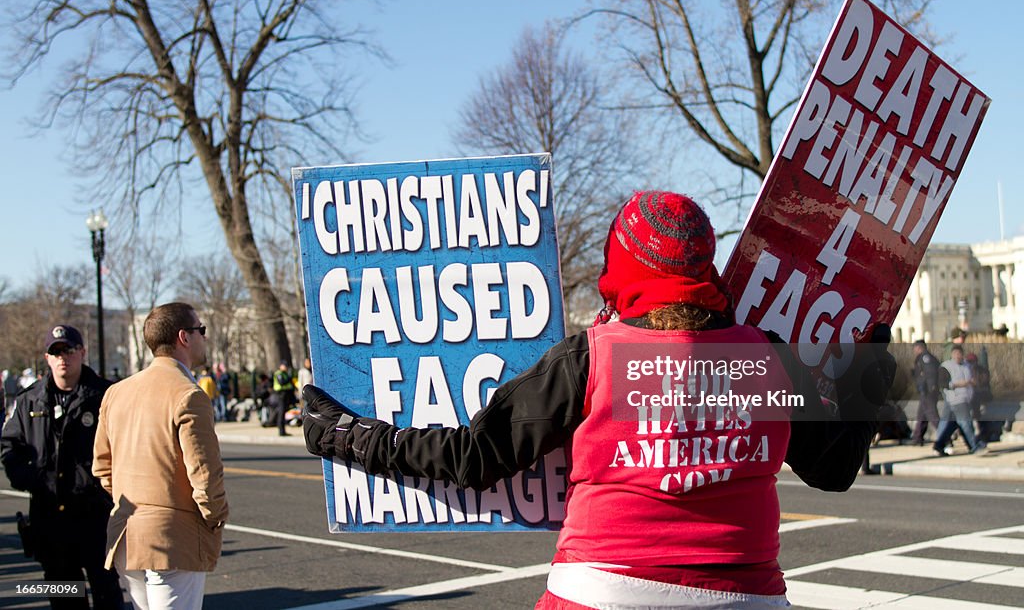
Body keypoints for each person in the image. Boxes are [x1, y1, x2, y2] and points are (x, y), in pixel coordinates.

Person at [301, 190, 892, 608]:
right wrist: (871, 365)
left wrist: (347, 435)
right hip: (745, 593)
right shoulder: (767, 354)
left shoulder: (592, 356)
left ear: (624, 263)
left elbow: (474, 459)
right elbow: (833, 469)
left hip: (603, 591)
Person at [93, 303, 229, 610]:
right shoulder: (189, 395)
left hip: (127, 533)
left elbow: (102, 467)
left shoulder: (117, 392)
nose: (203, 338)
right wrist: (215, 516)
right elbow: (204, 472)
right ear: (184, 337)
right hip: (173, 538)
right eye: (201, 330)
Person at [1, 325, 123, 609]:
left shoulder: (107, 396)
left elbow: (127, 448)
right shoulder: (29, 400)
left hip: (96, 517)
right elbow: (10, 447)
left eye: (68, 350)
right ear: (47, 358)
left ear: (82, 352)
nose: (62, 357)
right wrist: (31, 479)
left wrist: (104, 487)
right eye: (56, 352)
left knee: (107, 594)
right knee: (66, 597)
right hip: (50, 519)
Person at [932, 345, 984, 455]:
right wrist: (959, 384)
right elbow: (942, 384)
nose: (958, 356)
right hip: (955, 399)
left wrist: (974, 382)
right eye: (956, 354)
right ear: (952, 354)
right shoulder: (946, 366)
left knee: (952, 425)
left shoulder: (966, 365)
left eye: (960, 354)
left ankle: (939, 446)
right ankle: (974, 447)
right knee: (966, 423)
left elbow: (972, 379)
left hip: (965, 399)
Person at [910, 340, 941, 446]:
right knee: (921, 415)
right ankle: (917, 437)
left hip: (928, 391)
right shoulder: (923, 357)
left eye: (915, 348)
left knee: (932, 415)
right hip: (925, 391)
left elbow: (931, 373)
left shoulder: (925, 358)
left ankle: (944, 436)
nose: (914, 350)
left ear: (919, 348)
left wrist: (931, 388)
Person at [273, 362, 296, 436]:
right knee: (281, 412)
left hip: (286, 394)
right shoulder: (279, 373)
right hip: (281, 394)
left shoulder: (285, 373)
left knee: (283, 412)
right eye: (284, 366)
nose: (285, 367)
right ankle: (281, 431)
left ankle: (283, 430)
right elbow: (282, 382)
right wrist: (289, 378)